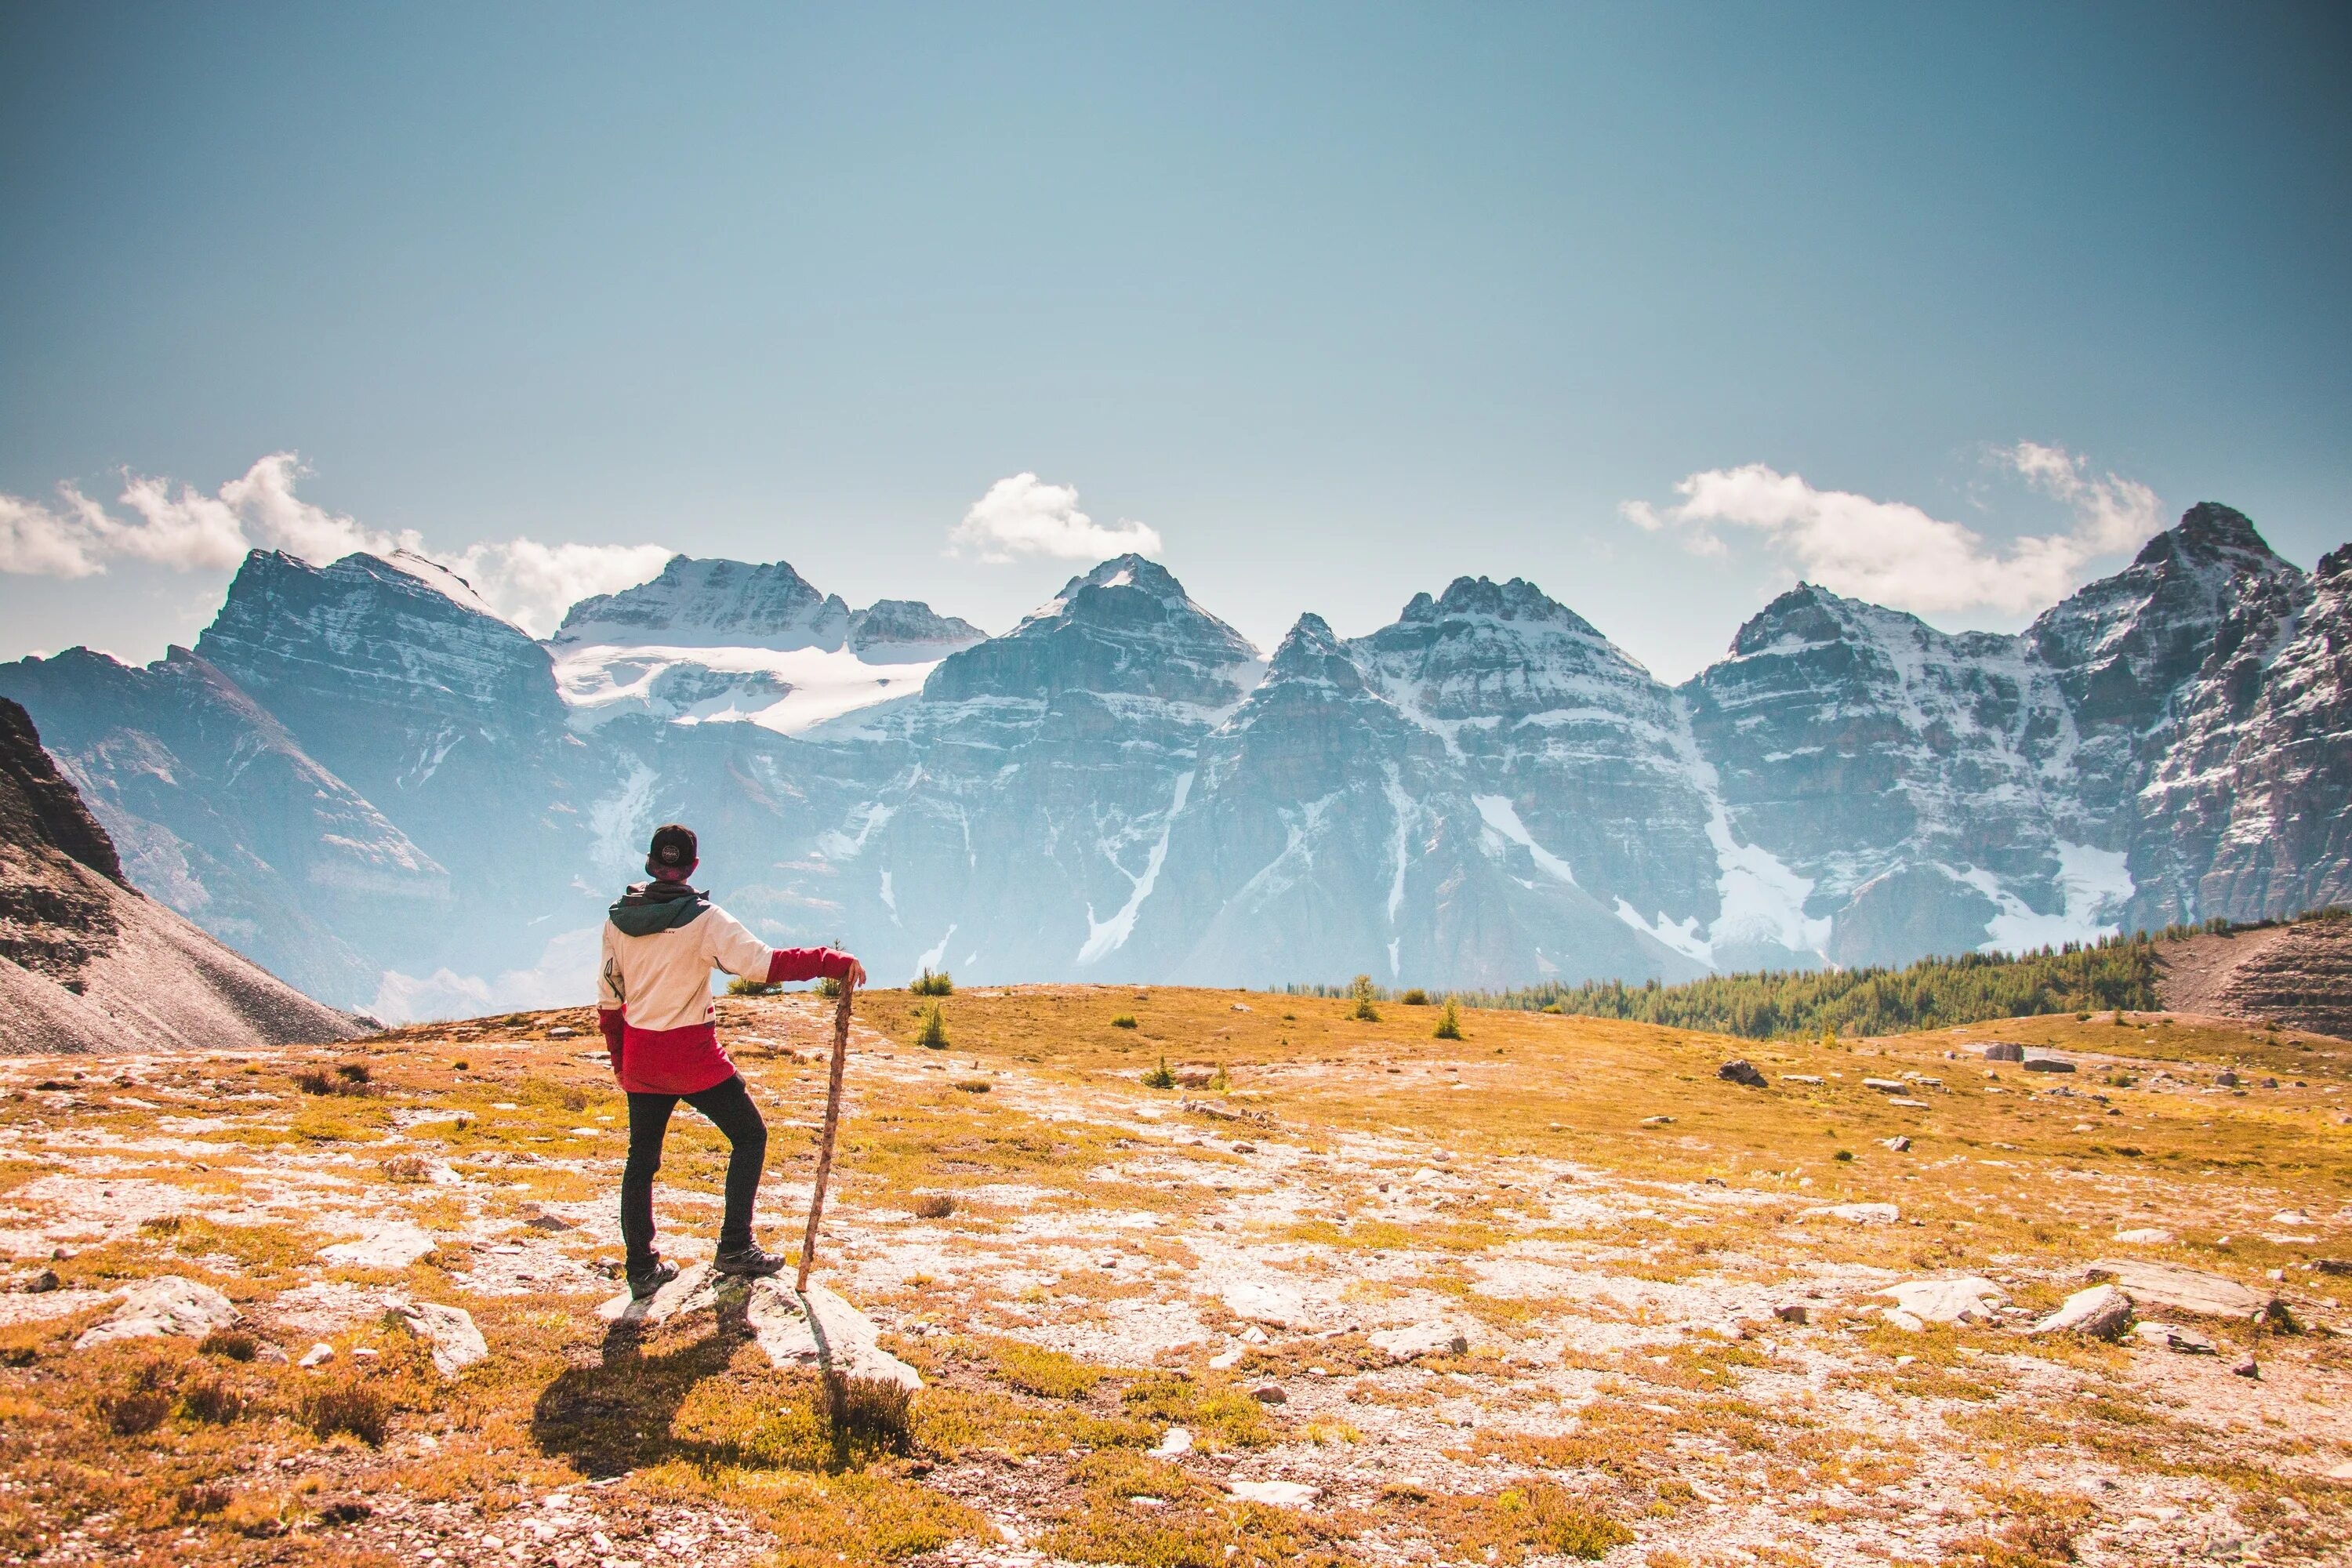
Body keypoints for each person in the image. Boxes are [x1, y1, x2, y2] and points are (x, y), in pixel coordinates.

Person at [597, 822, 866, 1299]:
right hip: (693, 1057)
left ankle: (640, 1267)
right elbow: (765, 965)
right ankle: (735, 1247)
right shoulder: (705, 920)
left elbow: (609, 1001)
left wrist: (621, 1061)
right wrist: (831, 960)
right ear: (693, 868)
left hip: (642, 1055)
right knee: (749, 1135)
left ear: (650, 864)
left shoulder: (617, 921)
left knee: (641, 1161)